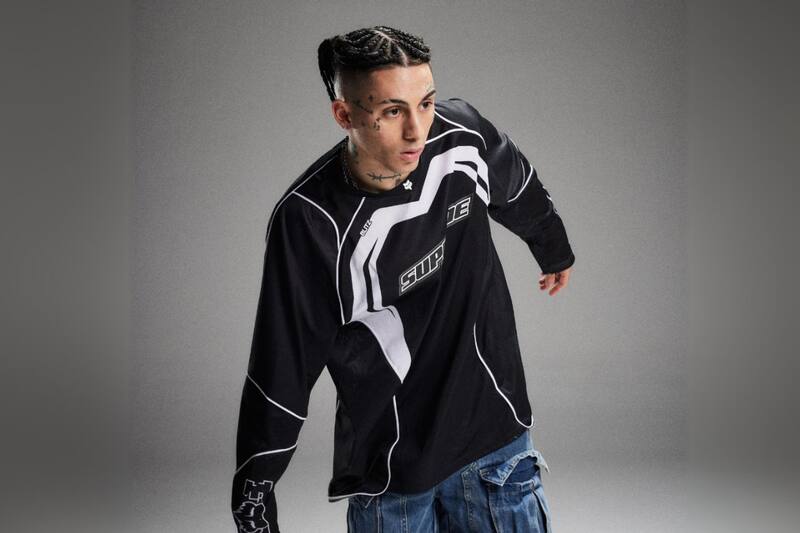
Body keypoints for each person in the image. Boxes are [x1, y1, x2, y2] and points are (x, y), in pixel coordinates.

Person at [231, 25, 575, 533]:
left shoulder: (461, 135)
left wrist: (553, 249)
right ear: (344, 115)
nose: (418, 129)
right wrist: (254, 501)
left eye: (426, 103)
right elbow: (281, 370)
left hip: (495, 441)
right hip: (390, 472)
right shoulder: (310, 222)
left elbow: (518, 184)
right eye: (393, 111)